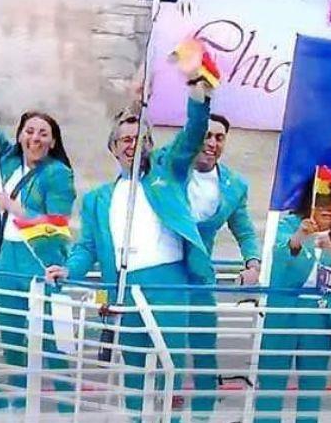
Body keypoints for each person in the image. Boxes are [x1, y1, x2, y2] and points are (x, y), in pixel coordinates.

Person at [45, 84, 214, 415]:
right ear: (113, 147)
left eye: (139, 139)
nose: (132, 145)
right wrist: (69, 270)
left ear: (150, 145)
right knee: (134, 374)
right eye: (125, 140)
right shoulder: (97, 199)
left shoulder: (168, 174)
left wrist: (198, 94)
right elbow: (87, 247)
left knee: (170, 373)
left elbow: (192, 135)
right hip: (122, 291)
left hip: (168, 286)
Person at [0, 85, 76, 411]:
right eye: (29, 131)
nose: (35, 138)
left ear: (53, 141)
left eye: (43, 133)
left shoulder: (58, 173)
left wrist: (15, 209)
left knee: (52, 340)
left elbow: (57, 223)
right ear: (20, 135)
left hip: (40, 260)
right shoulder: (9, 160)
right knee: (12, 338)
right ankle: (20, 406)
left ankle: (66, 410)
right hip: (7, 261)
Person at [151, 110, 261, 414]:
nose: (212, 143)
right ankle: (162, 414)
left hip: (200, 276)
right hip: (165, 271)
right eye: (206, 135)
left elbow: (244, 228)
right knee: (165, 353)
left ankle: (203, 415)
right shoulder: (171, 168)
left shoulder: (234, 185)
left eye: (219, 137)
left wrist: (252, 263)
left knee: (204, 353)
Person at [255, 175, 331, 423]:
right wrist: (299, 236)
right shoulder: (291, 222)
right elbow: (280, 253)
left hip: (321, 317)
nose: (327, 208)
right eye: (321, 201)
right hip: (284, 314)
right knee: (271, 382)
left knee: (312, 385)